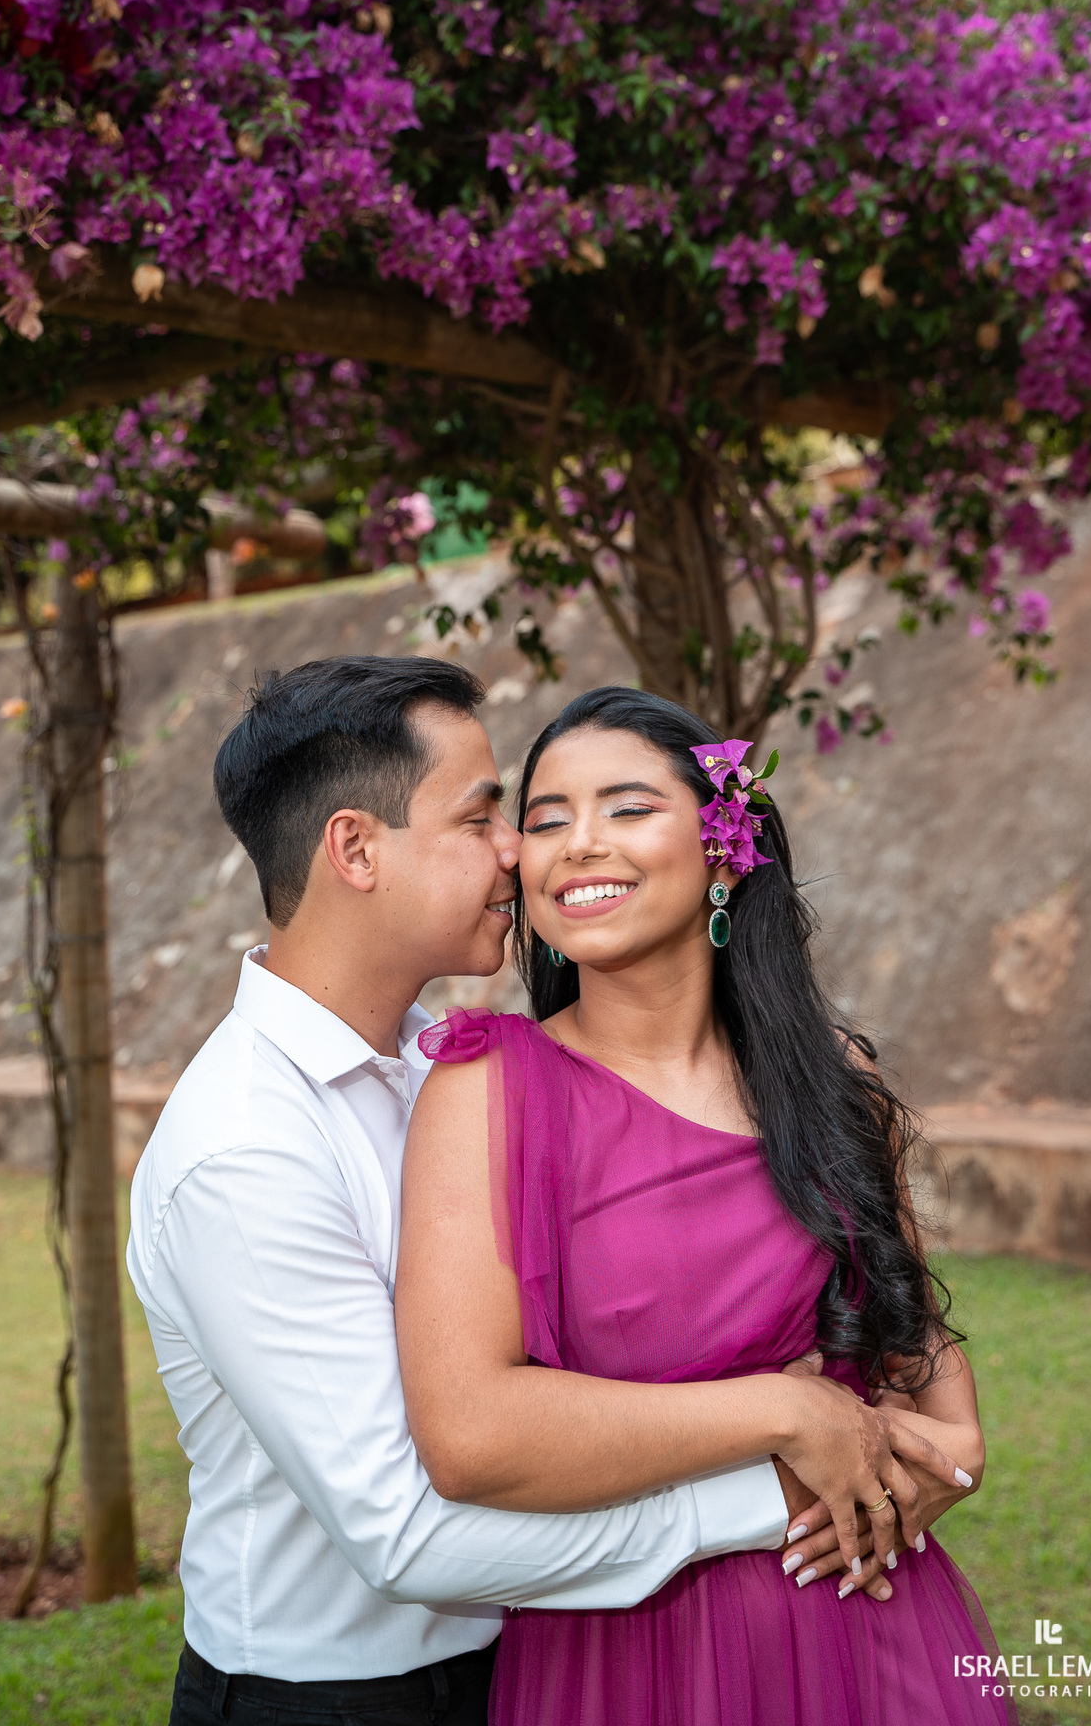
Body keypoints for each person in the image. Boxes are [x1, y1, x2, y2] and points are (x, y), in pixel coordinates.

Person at [127, 657, 959, 1726]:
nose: (523, 851)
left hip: (535, 1653)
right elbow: (409, 1533)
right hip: (344, 1695)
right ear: (355, 848)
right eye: (486, 818)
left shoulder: (450, 1068)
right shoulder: (245, 1149)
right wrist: (786, 1467)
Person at [398, 685, 1013, 1726]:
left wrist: (950, 1460)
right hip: (626, 1659)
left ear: (724, 846)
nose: (577, 846)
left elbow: (930, 1378)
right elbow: (469, 1434)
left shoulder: (832, 1081)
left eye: (628, 808)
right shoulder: (488, 1091)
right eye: (545, 821)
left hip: (870, 1630)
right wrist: (783, 1409)